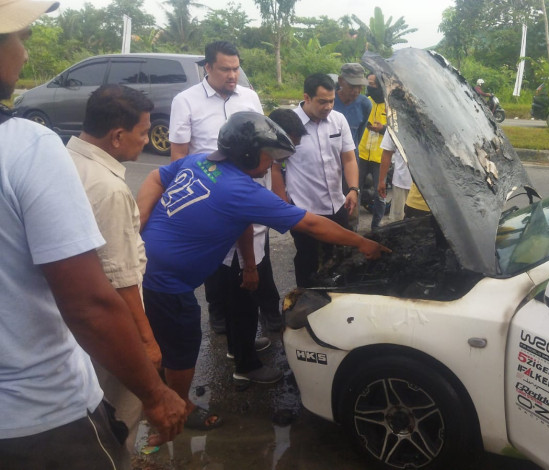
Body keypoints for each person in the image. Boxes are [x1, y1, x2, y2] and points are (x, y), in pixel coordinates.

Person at [0, 2, 186, 468]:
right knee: (118, 430)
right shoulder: (29, 147)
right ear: (119, 137)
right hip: (37, 415)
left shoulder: (67, 156)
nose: (23, 54)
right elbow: (94, 298)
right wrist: (154, 385)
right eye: (17, 38)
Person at [138, 112, 388, 430]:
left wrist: (249, 265)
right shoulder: (242, 190)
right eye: (268, 155)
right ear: (247, 153)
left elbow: (158, 178)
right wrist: (362, 243)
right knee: (184, 342)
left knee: (161, 336)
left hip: (147, 262)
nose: (273, 162)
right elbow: (310, 223)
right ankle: (178, 406)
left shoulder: (201, 161)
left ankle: (159, 384)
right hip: (166, 281)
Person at [169, 41, 282, 385]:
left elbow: (264, 145)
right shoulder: (185, 101)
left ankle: (239, 344)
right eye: (225, 69)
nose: (233, 75)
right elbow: (178, 158)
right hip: (211, 205)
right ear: (207, 67)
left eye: (236, 68)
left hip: (245, 199)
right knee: (233, 280)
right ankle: (245, 363)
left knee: (244, 278)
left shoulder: (248, 98)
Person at [67, 84, 162, 453]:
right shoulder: (109, 188)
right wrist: (146, 341)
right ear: (118, 136)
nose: (146, 140)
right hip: (111, 324)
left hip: (74, 321)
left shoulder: (65, 161)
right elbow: (121, 277)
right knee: (118, 419)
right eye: (143, 132)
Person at [285, 73, 361, 287]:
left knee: (339, 258)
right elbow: (275, 165)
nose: (328, 106)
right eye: (322, 101)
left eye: (331, 101)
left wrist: (353, 188)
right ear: (306, 98)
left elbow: (348, 159)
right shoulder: (290, 122)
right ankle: (305, 304)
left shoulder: (338, 120)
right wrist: (282, 201)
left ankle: (337, 303)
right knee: (307, 260)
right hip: (304, 208)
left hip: (337, 204)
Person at [334, 63, 372, 231]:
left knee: (351, 206)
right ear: (341, 81)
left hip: (351, 162)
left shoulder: (365, 104)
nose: (356, 90)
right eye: (352, 85)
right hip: (330, 163)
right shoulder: (329, 101)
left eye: (360, 87)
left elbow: (359, 134)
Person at [357, 73, 387, 229]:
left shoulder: (390, 106)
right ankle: (352, 225)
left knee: (379, 193)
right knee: (355, 189)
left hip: (380, 157)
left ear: (381, 85)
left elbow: (397, 130)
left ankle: (377, 226)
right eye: (368, 83)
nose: (369, 87)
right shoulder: (365, 102)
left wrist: (383, 129)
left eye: (372, 84)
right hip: (362, 153)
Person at [377, 129, 412, 222]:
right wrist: (381, 181)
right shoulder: (394, 124)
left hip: (426, 188)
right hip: (402, 183)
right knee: (398, 222)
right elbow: (387, 153)